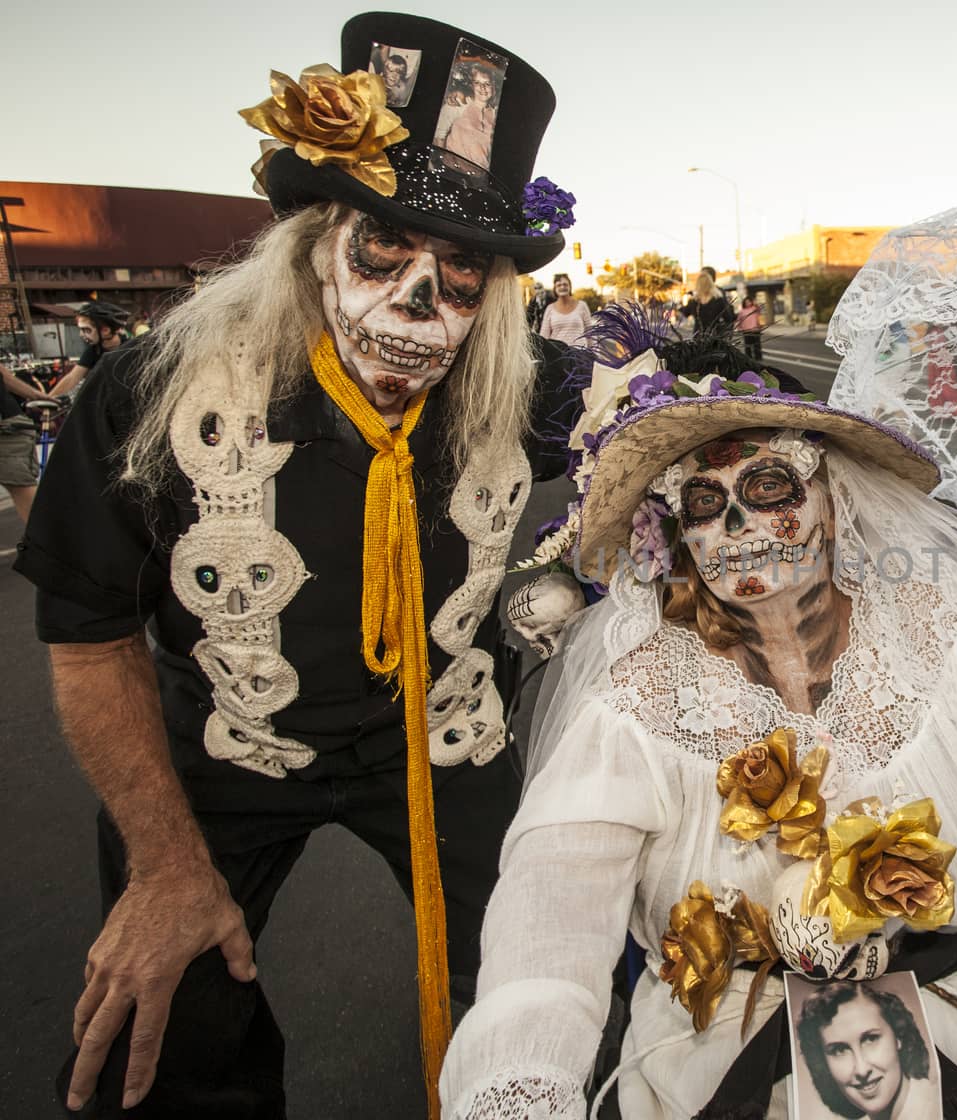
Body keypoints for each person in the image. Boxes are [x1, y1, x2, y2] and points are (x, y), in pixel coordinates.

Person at [438, 315, 957, 1118]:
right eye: (706, 503)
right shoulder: (643, 683)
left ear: (833, 498)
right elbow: (556, 887)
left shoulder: (939, 623)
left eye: (769, 488)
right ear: (680, 534)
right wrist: (522, 1068)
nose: (736, 528)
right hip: (724, 1052)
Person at [13, 14, 583, 1118]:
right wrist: (168, 866)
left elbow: (698, 433)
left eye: (463, 273)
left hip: (440, 730)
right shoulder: (153, 390)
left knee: (537, 978)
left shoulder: (530, 388)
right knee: (165, 1019)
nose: (420, 301)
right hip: (221, 742)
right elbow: (88, 633)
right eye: (384, 250)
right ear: (315, 237)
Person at [797, 983, 938, 1120]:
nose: (862, 1070)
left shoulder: (939, 1106)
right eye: (839, 1050)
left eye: (871, 1039)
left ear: (898, 1036)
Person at [48, 300, 129, 399]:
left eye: (86, 330)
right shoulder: (94, 350)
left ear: (105, 330)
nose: (81, 335)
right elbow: (73, 377)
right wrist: (48, 399)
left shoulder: (130, 348)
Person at [0, 362, 42, 523]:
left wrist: (36, 395)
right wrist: (35, 395)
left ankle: (49, 545)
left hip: (6, 427)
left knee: (21, 487)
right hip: (9, 422)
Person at [440, 62, 499, 168]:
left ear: (493, 88)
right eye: (477, 83)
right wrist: (438, 165)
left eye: (487, 83)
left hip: (478, 177)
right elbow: (439, 136)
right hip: (451, 170)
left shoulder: (495, 115)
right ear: (472, 85)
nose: (482, 88)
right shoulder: (458, 103)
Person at [681, 265, 734, 338]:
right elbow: (728, 318)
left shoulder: (694, 300)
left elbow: (685, 312)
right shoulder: (718, 297)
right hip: (715, 337)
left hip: (698, 337)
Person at [540, 273, 592, 345]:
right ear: (555, 289)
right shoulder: (550, 309)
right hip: (559, 353)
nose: (562, 287)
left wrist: (593, 354)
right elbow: (544, 336)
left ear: (570, 287)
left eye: (565, 284)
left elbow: (590, 332)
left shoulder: (582, 306)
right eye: (559, 285)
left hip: (580, 352)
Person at [736, 294, 763, 360]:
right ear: (744, 303)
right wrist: (739, 328)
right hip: (746, 330)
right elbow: (739, 320)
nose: (748, 303)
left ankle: (758, 357)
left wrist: (755, 303)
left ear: (751, 302)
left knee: (757, 345)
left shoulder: (755, 309)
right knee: (747, 345)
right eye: (746, 302)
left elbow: (760, 308)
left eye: (749, 301)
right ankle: (749, 358)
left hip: (755, 330)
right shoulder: (742, 311)